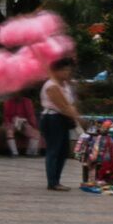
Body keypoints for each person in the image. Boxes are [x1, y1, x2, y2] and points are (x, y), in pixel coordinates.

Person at [37, 63, 81, 192]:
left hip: (62, 119)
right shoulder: (51, 86)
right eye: (64, 70)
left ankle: (56, 180)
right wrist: (78, 118)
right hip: (52, 119)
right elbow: (62, 105)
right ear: (56, 71)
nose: (67, 73)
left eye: (68, 70)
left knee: (63, 151)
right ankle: (52, 182)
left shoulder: (65, 85)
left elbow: (70, 103)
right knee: (54, 150)